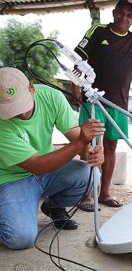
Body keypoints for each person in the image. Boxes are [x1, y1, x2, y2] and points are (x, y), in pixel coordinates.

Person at [73, 0, 132, 210]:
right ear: (114, 12)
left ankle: (104, 192)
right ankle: (85, 193)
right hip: (93, 99)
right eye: (121, 12)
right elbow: (79, 59)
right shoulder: (98, 31)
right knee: (89, 144)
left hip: (119, 104)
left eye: (129, 15)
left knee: (110, 146)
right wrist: (75, 85)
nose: (124, 17)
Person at [0, 67, 105, 250]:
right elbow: (36, 165)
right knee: (20, 239)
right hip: (12, 179)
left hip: (48, 171)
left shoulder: (51, 97)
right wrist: (80, 143)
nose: (21, 113)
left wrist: (91, 151)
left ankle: (53, 207)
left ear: (31, 88)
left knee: (90, 173)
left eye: (23, 103)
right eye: (11, 109)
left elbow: (74, 135)